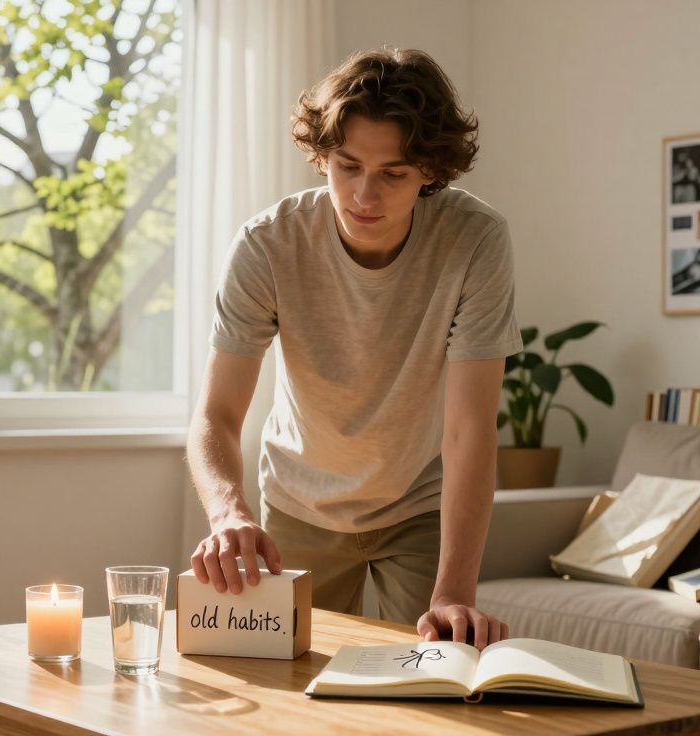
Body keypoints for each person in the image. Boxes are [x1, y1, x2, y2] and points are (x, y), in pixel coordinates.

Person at [185, 48, 522, 651]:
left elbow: (470, 429)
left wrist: (454, 591)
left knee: (430, 680)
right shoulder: (267, 245)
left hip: (418, 504)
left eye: (393, 173)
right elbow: (217, 415)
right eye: (347, 166)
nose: (366, 194)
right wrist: (229, 514)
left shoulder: (476, 241)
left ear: (430, 172)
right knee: (286, 690)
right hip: (297, 505)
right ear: (323, 157)